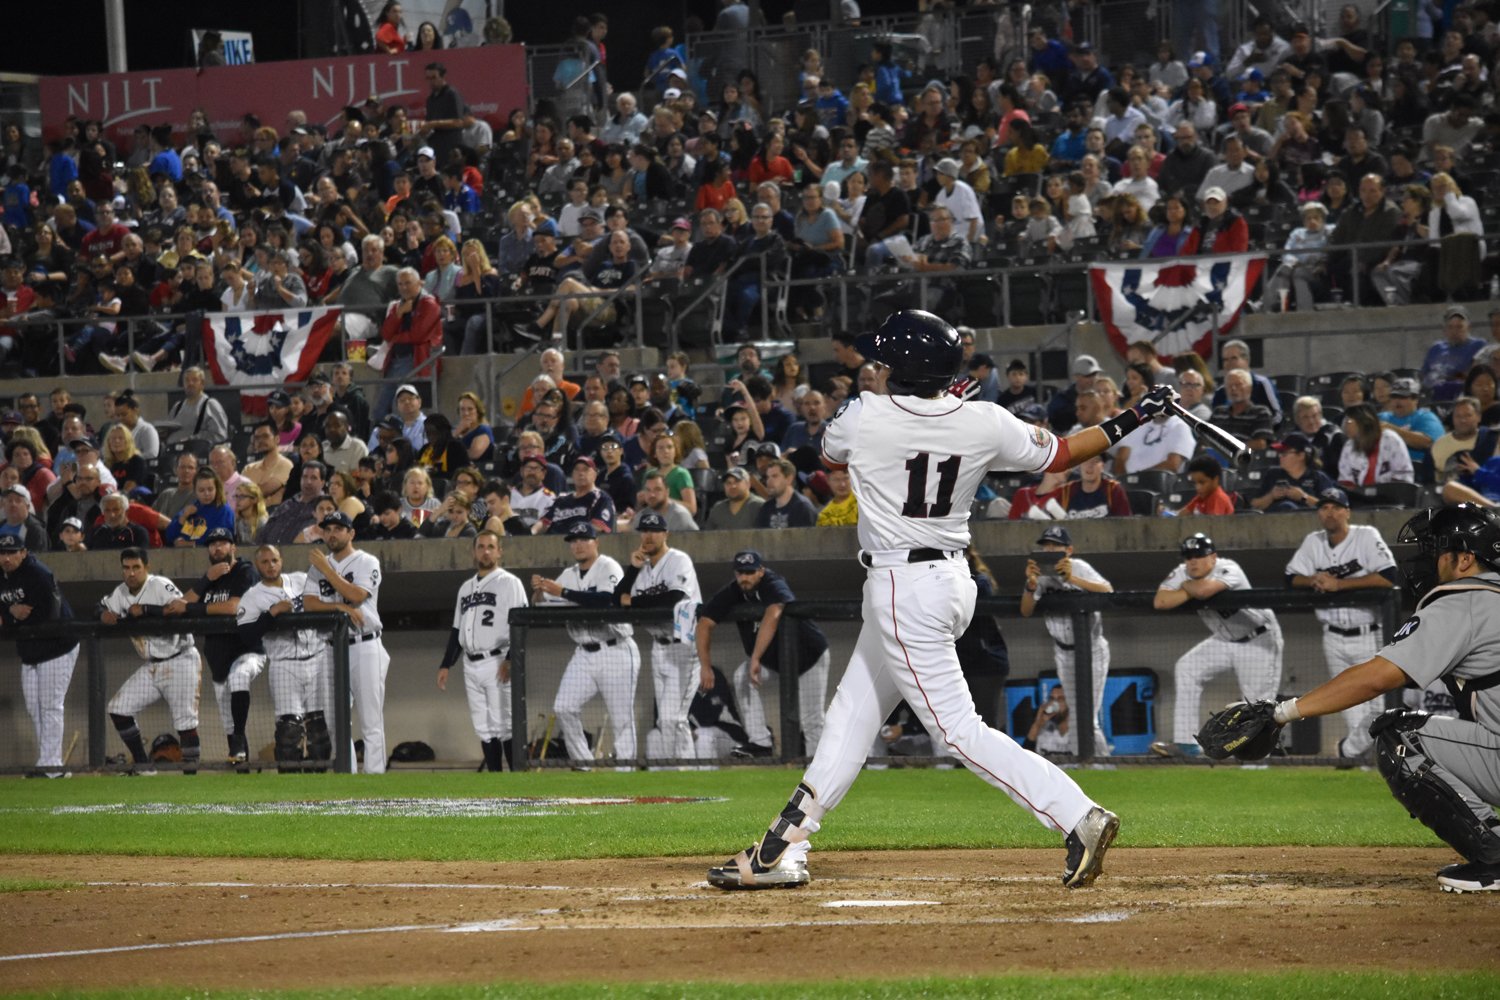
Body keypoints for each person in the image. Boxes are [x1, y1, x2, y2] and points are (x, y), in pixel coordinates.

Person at [707, 310, 1173, 891]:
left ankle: (1077, 815)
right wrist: (1133, 415)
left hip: (904, 587)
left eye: (884, 361)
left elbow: (828, 456)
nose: (875, 367)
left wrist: (925, 403)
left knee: (956, 730)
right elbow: (1060, 455)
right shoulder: (982, 418)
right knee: (850, 715)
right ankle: (784, 843)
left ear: (899, 370)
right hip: (950, 582)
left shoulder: (865, 413)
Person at [1247, 504, 1500, 891]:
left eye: (1438, 552)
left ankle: (1494, 857)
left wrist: (1282, 713)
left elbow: (1375, 679)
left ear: (1465, 558)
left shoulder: (1464, 600)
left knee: (1399, 735)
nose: (1431, 562)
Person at [1285, 487, 1397, 767]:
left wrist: (1340, 584)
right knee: (1350, 707)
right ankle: (1362, 763)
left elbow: (1389, 577)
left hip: (1368, 634)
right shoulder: (1313, 542)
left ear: (1347, 511)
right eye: (1324, 507)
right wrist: (1314, 580)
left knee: (1380, 708)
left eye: (1336, 507)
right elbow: (1290, 578)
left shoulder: (1366, 536)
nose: (1330, 512)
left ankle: (1347, 752)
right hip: (1332, 637)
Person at [1150, 533, 1283, 758]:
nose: (1192, 561)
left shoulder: (1228, 568)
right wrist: (1189, 586)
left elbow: (1204, 591)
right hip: (1223, 640)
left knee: (1258, 705)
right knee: (1187, 668)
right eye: (1188, 556)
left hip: (1257, 639)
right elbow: (1160, 601)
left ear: (1213, 557)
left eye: (1198, 556)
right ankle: (1187, 744)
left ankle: (1257, 762)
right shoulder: (1185, 573)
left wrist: (1185, 588)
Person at [697, 550, 831, 760]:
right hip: (775, 661)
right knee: (742, 676)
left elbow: (774, 612)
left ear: (761, 571)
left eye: (750, 572)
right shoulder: (734, 591)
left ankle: (821, 769)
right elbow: (705, 622)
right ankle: (761, 742)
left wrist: (756, 657)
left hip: (808, 658)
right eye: (740, 572)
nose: (745, 577)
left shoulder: (772, 582)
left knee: (811, 719)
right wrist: (705, 666)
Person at [532, 522, 640, 768]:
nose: (578, 544)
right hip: (584, 652)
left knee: (621, 716)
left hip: (615, 648)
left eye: (584, 539)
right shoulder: (568, 574)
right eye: (574, 540)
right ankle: (584, 764)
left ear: (596, 542)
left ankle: (627, 771)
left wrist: (564, 593)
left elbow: (607, 600)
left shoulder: (608, 566)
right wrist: (539, 592)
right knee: (564, 707)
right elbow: (543, 604)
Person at [100, 547, 200, 775]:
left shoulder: (159, 585)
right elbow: (102, 606)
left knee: (185, 723)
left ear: (146, 567)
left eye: (136, 567)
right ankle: (144, 766)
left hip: (180, 659)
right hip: (153, 664)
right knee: (118, 709)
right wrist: (102, 615)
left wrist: (146, 610)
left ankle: (192, 780)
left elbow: (181, 610)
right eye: (126, 568)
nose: (131, 573)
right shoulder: (120, 592)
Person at [302, 511, 389, 774]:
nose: (332, 534)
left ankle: (375, 778)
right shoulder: (318, 565)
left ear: (351, 533)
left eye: (339, 529)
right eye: (328, 529)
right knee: (336, 721)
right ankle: (347, 777)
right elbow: (308, 604)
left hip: (365, 645)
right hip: (331, 648)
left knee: (370, 719)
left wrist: (327, 570)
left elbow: (356, 595)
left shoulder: (366, 561)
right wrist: (340, 607)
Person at [613, 510, 701, 764]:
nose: (648, 535)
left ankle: (688, 771)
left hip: (684, 645)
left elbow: (673, 597)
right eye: (644, 530)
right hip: (659, 647)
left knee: (675, 717)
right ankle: (675, 770)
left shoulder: (678, 559)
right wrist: (632, 569)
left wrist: (635, 601)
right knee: (665, 719)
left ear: (665, 534)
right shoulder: (642, 567)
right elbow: (617, 601)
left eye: (654, 530)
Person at [435, 531, 527, 773]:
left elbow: (521, 623)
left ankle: (518, 779)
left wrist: (510, 660)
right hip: (470, 663)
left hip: (496, 659)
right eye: (481, 547)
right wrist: (446, 664)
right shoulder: (466, 588)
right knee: (483, 726)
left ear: (499, 551)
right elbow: (457, 630)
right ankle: (495, 780)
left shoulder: (510, 583)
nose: (485, 551)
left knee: (503, 724)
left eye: (490, 547)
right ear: (474, 552)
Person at [1020, 525, 1114, 756]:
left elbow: (1108, 591)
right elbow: (1026, 610)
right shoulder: (1040, 574)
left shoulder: (1080, 567)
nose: (1049, 550)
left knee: (1086, 716)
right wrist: (1031, 585)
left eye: (1055, 546)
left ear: (1068, 550)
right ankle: (1087, 763)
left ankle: (1101, 764)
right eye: (1046, 546)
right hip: (1063, 652)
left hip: (1092, 650)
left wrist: (1072, 578)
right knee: (1077, 713)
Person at [235, 543, 330, 770]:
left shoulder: (301, 580)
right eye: (265, 562)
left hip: (317, 658)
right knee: (289, 729)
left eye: (274, 560)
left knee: (319, 726)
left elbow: (326, 603)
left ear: (281, 561)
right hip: (284, 664)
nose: (270, 566)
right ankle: (290, 784)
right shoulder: (252, 596)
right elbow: (246, 635)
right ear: (257, 565)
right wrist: (272, 614)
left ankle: (321, 783)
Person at [173, 528, 261, 766]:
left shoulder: (245, 571)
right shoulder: (209, 579)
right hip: (217, 655)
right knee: (228, 721)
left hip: (246, 649)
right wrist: (206, 580)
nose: (217, 548)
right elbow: (177, 606)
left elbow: (234, 607)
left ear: (234, 547)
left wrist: (193, 610)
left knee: (240, 678)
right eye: (212, 544)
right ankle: (240, 762)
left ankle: (239, 742)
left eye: (223, 543)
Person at [0, 535, 79, 778]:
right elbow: (14, 612)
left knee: (51, 706)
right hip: (31, 650)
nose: (6, 558)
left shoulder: (38, 574)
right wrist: (11, 611)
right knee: (35, 707)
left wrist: (9, 617)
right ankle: (47, 762)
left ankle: (52, 766)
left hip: (57, 646)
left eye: (12, 552)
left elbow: (48, 615)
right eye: (2, 553)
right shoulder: (3, 576)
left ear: (23, 552)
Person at [1250, 433, 1339, 512]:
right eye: (1279, 453)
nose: (1280, 457)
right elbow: (1254, 505)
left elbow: (1333, 507)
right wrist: (1271, 496)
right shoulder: (1273, 474)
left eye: (1284, 454)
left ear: (1301, 455)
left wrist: (1304, 497)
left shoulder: (1317, 477)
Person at [1339, 402, 1416, 487]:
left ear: (1363, 421)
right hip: (1358, 497)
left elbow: (1403, 476)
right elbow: (1345, 481)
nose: (1345, 426)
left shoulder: (1391, 440)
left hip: (1392, 496)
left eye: (1349, 421)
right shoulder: (1349, 446)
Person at [534, 456, 615, 536]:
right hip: (552, 543)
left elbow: (598, 527)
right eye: (577, 469)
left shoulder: (601, 498)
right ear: (572, 475)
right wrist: (532, 532)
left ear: (595, 474)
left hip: (581, 543)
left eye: (585, 469)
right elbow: (544, 522)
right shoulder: (561, 499)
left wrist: (573, 536)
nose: (581, 473)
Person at [1380, 377, 1445, 472]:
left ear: (1415, 400)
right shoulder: (1381, 417)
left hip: (1419, 472)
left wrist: (1391, 430)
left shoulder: (1426, 417)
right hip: (1385, 470)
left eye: (1403, 397)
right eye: (1394, 397)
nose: (1397, 401)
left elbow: (1427, 442)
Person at [1420, 305, 1486, 393]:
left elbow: (1476, 375)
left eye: (1459, 327)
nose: (1455, 332)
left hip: (1459, 394)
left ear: (1468, 327)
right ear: (1445, 329)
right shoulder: (1436, 347)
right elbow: (1423, 374)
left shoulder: (1478, 346)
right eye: (1450, 327)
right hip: (1430, 392)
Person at [164, 366, 230, 446]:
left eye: (194, 380)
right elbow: (166, 429)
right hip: (172, 451)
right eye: (187, 380)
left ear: (202, 383)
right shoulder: (177, 407)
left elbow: (220, 436)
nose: (190, 383)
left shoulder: (210, 405)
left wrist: (194, 439)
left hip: (198, 453)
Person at [754, 458, 818, 528]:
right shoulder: (766, 508)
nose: (769, 481)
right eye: (768, 477)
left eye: (775, 476)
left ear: (789, 479)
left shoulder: (802, 507)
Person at [705, 466, 764, 530]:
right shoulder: (718, 509)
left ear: (748, 484)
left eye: (737, 481)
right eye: (728, 483)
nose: (733, 486)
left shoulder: (758, 506)